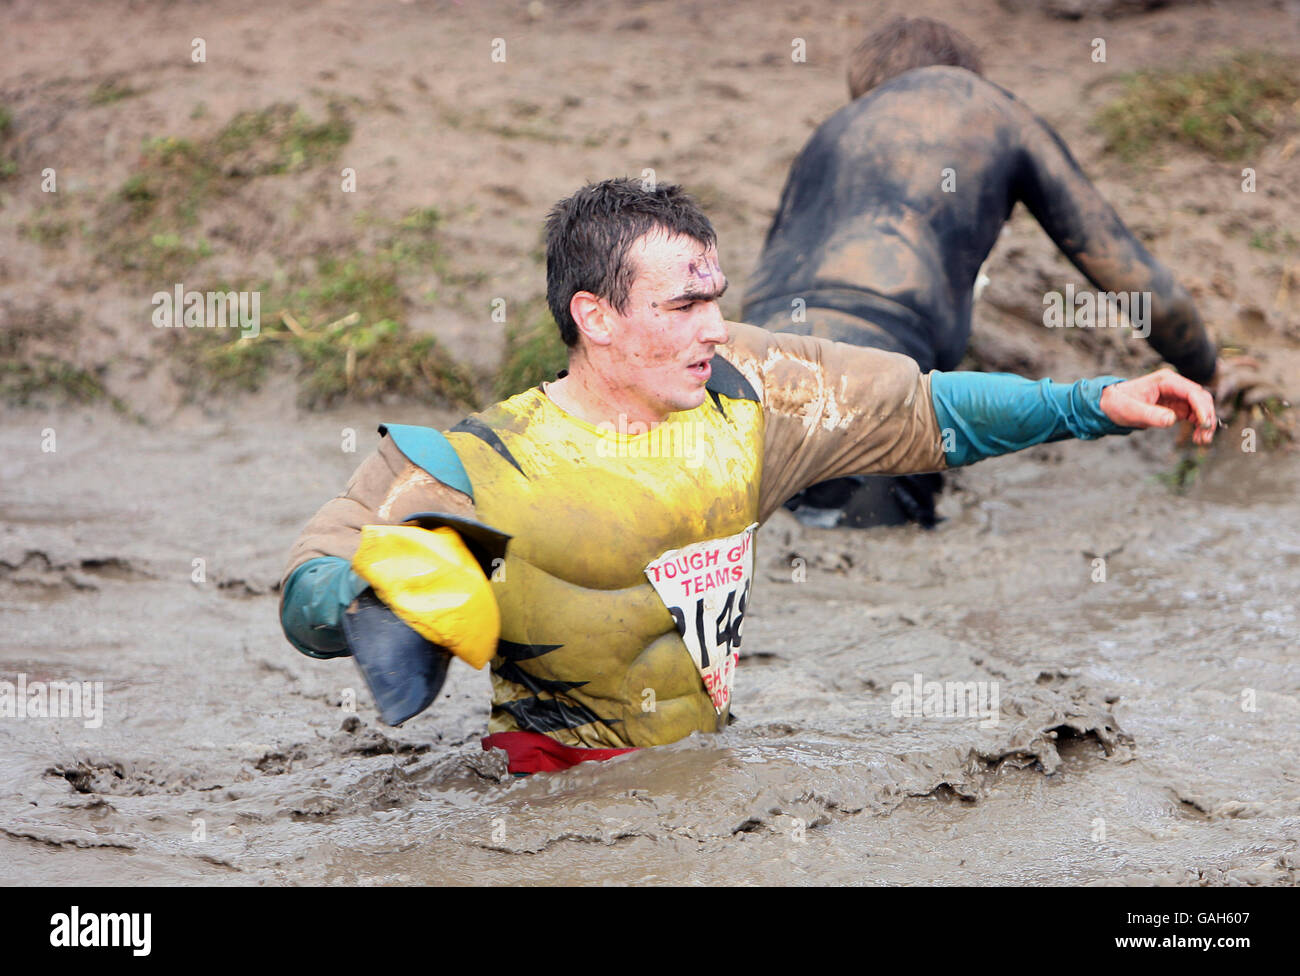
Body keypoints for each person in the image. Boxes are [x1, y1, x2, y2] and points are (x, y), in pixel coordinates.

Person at [278, 178, 1217, 775]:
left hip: (707, 767)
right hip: (542, 809)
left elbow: (931, 411)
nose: (714, 327)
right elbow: (306, 589)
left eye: (716, 299)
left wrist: (1095, 400)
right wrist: (375, 589)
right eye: (682, 305)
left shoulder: (750, 393)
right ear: (595, 316)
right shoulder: (478, 464)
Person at [742, 17, 1239, 528]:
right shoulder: (993, 113)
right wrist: (1204, 372)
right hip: (871, 385)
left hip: (749, 374)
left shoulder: (830, 134)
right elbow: (1138, 283)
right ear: (967, 76)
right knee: (876, 546)